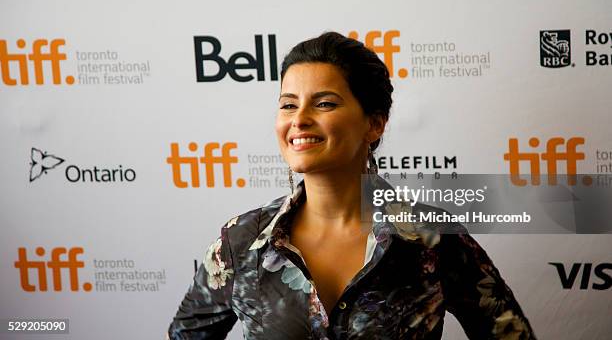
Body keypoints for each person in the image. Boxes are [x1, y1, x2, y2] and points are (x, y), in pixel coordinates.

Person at [167, 32, 536, 339]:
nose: (300, 120)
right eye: (288, 105)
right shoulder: (241, 242)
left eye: (324, 104)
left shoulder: (433, 239)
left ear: (374, 124)